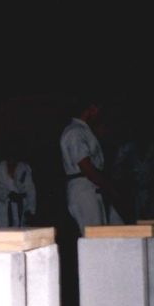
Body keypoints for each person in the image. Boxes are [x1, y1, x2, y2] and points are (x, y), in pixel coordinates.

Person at [60, 99, 124, 234]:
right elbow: (86, 166)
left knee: (115, 230)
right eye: (98, 110)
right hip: (84, 189)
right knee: (95, 236)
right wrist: (109, 188)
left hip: (93, 187)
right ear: (92, 109)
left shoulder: (84, 130)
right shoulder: (75, 131)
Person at [0, 146, 36, 227]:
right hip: (3, 207)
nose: (12, 157)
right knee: (2, 232)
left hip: (21, 207)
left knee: (20, 231)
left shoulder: (25, 168)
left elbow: (30, 189)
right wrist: (8, 194)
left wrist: (30, 209)